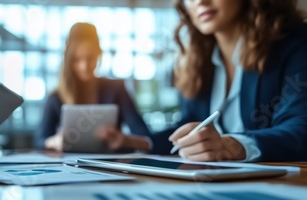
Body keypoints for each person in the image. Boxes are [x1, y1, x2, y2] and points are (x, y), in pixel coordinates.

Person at [110, 0, 307, 162]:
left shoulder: (295, 44)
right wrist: (136, 142)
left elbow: (300, 130)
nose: (200, 2)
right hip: (213, 186)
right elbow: (191, 126)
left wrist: (232, 146)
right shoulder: (197, 61)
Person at [35, 22, 151, 152]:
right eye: (77, 59)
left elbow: (146, 137)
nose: (84, 66)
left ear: (99, 55)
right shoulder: (56, 96)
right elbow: (40, 139)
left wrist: (124, 140)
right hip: (70, 166)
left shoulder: (117, 89)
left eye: (90, 58)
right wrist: (55, 141)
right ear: (68, 60)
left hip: (111, 164)